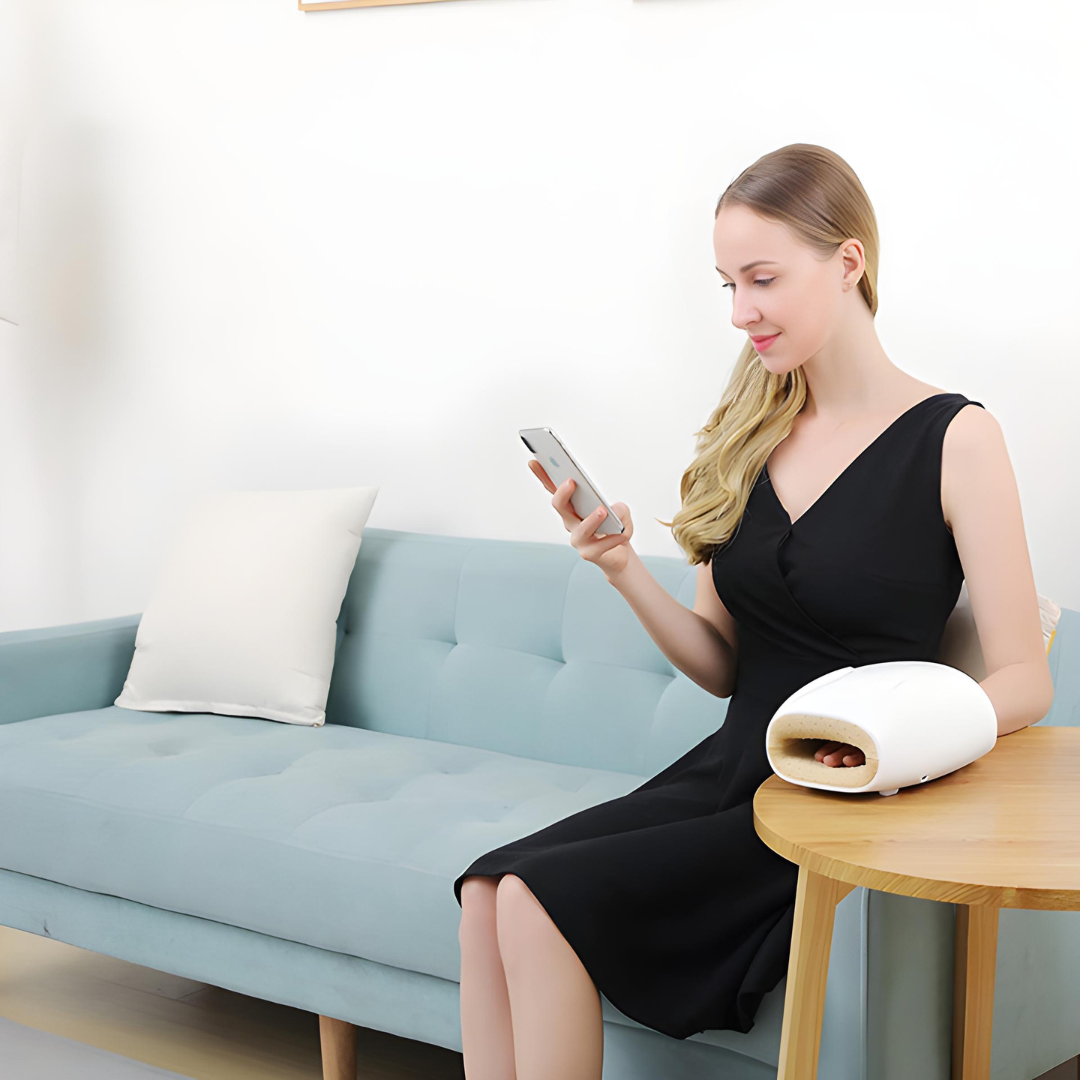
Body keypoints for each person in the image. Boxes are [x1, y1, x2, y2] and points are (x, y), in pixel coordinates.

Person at [452, 142, 1054, 1080]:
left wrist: (892, 745)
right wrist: (621, 569)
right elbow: (726, 667)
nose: (741, 313)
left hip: (830, 791)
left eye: (762, 279)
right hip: (731, 763)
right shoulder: (748, 431)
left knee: (532, 896)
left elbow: (1026, 677)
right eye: (728, 284)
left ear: (848, 262)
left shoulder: (957, 438)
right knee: (488, 887)